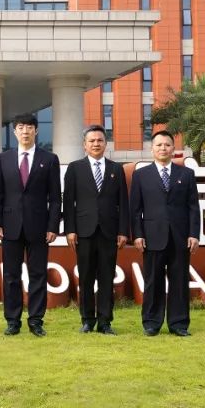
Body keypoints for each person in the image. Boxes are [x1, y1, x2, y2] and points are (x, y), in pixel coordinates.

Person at [0, 113, 61, 337]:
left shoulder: (49, 159)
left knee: (38, 274)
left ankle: (36, 320)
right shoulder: (4, 158)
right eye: (20, 127)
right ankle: (13, 320)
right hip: (10, 225)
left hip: (39, 226)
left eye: (29, 127)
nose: (25, 131)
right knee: (11, 275)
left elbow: (55, 197)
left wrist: (53, 226)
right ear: (14, 132)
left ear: (36, 131)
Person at [129, 130, 200, 337]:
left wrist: (194, 234)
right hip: (152, 237)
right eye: (159, 145)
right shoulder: (141, 175)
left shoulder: (186, 174)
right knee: (153, 281)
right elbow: (135, 209)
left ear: (173, 149)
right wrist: (138, 235)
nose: (163, 148)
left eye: (167, 145)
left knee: (179, 281)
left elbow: (193, 207)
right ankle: (151, 322)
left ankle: (179, 324)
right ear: (152, 149)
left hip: (180, 237)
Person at [62, 124, 130, 335]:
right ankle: (87, 320)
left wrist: (123, 231)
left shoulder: (116, 169)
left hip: (109, 232)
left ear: (105, 143)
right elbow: (68, 202)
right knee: (86, 277)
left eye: (100, 140)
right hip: (83, 232)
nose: (96, 144)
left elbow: (123, 202)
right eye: (91, 141)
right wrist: (70, 230)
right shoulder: (75, 168)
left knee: (107, 277)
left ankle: (105, 321)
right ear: (84, 145)